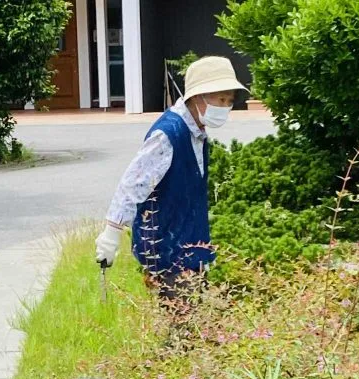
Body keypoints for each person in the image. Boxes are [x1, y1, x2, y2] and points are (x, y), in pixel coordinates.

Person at [95, 55, 248, 302]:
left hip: (189, 249)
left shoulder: (196, 132)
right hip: (167, 253)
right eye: (221, 99)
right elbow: (132, 185)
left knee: (193, 329)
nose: (226, 107)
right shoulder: (168, 135)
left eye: (229, 101)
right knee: (183, 330)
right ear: (199, 97)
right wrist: (111, 234)